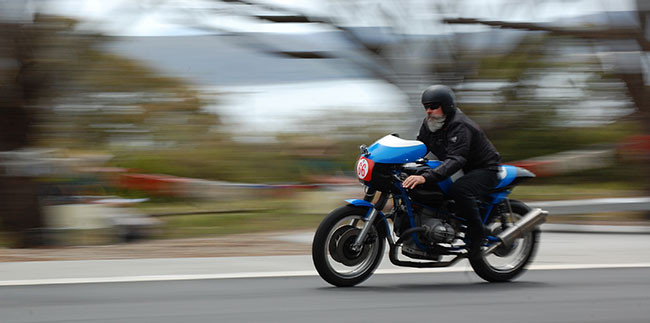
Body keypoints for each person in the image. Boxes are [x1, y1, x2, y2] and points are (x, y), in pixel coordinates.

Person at [401, 84, 502, 256]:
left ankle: (477, 233)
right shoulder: (430, 124)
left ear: (446, 106)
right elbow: (419, 147)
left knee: (460, 190)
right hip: (461, 169)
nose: (429, 111)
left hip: (485, 168)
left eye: (433, 106)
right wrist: (398, 161)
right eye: (426, 107)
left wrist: (427, 177)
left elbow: (457, 158)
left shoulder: (460, 125)